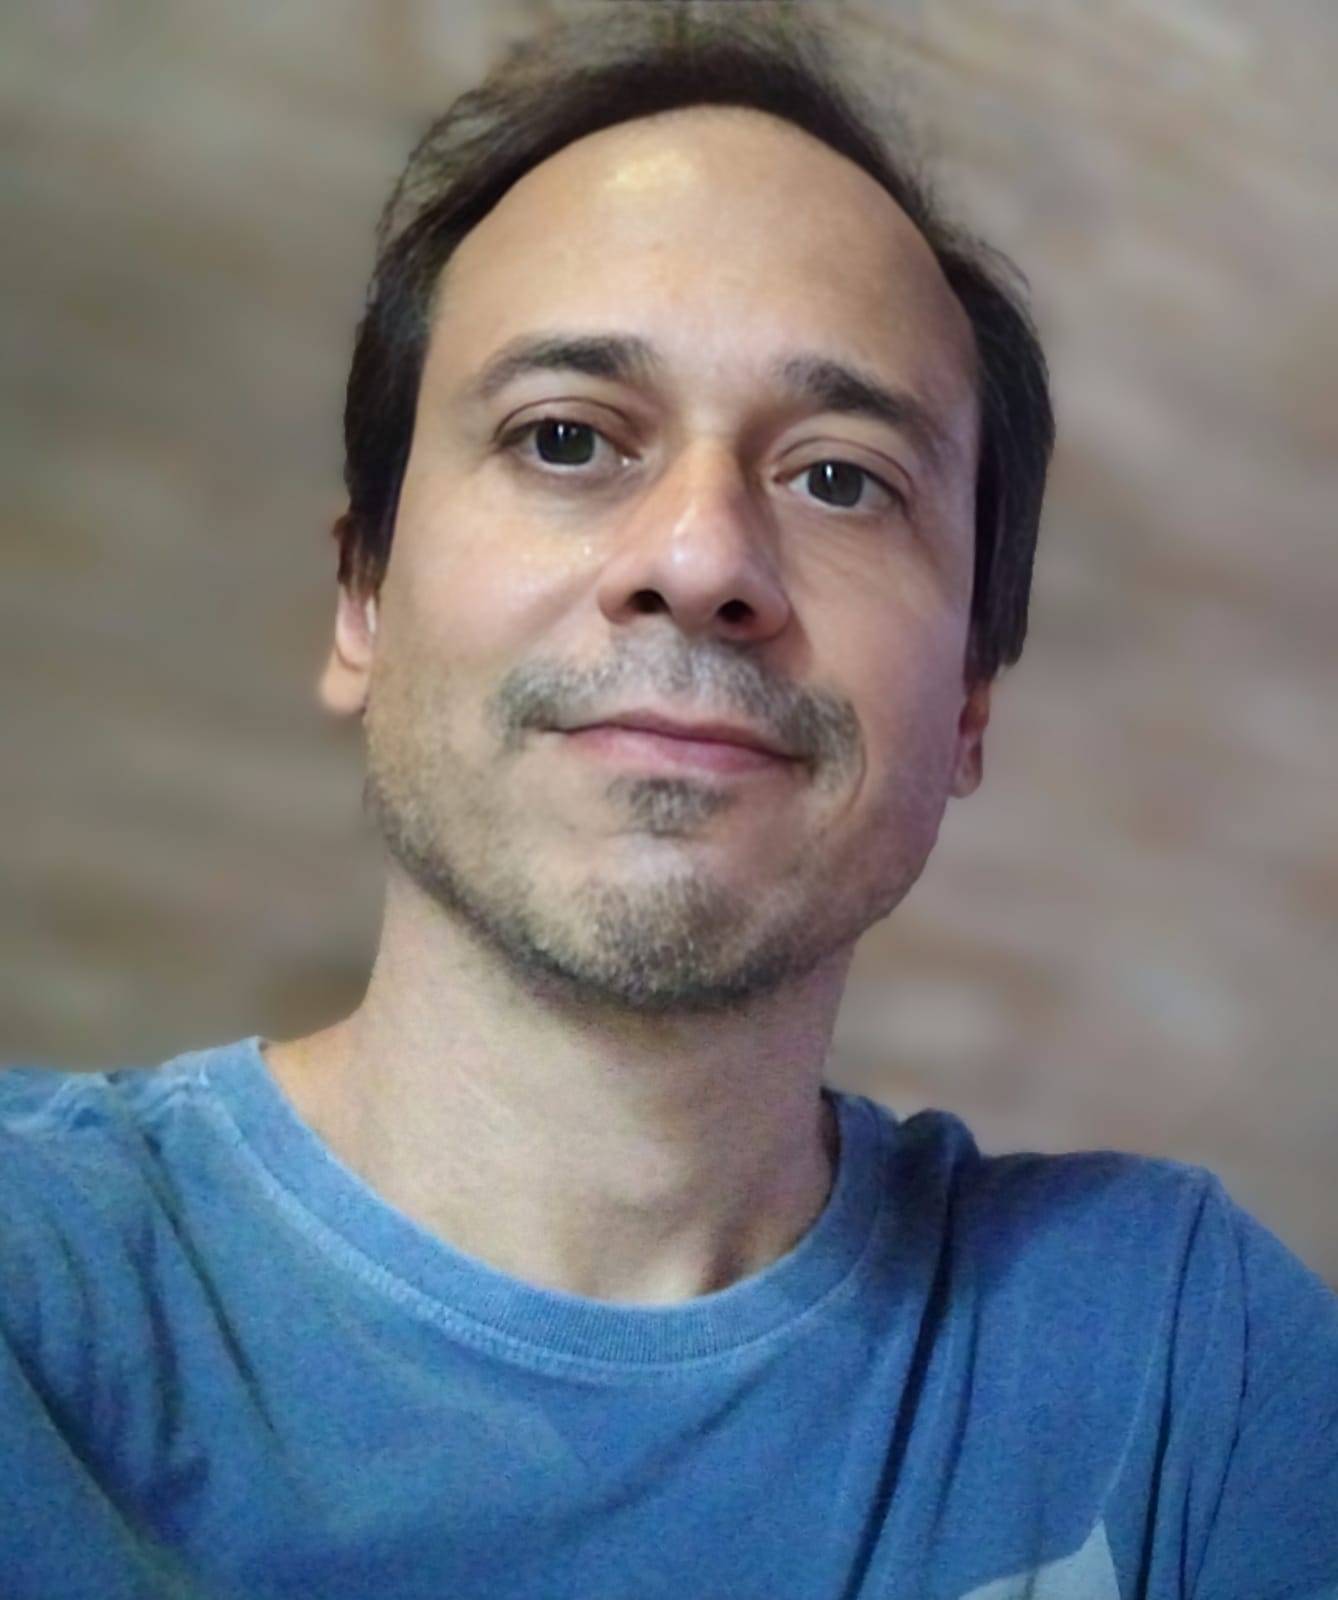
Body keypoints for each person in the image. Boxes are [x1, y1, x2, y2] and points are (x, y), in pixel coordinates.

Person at [2, 8, 1334, 1598]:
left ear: (969, 702)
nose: (699, 560)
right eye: (565, 438)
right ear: (363, 599)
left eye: (839, 476)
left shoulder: (1178, 1369)